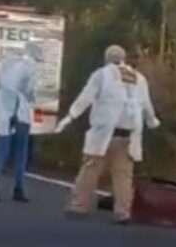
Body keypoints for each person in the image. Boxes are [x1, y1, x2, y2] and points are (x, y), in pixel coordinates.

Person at [55, 45, 160, 224]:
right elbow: (146, 105)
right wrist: (152, 121)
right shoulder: (139, 78)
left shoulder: (101, 75)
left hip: (103, 134)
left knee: (89, 170)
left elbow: (84, 99)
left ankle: (79, 205)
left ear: (107, 58)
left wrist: (68, 118)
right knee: (123, 176)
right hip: (128, 135)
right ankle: (123, 212)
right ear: (124, 58)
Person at [0, 41, 43, 204]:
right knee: (21, 151)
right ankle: (18, 188)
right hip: (22, 111)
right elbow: (30, 91)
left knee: (2, 148)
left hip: (3, 108)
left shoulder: (1, 66)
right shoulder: (30, 67)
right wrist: (32, 99)